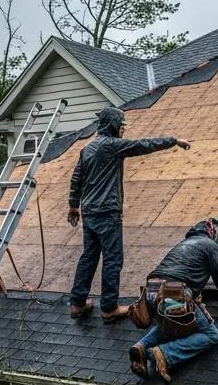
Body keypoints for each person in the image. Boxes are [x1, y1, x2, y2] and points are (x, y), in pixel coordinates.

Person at [68, 107, 190, 322]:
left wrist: (73, 205)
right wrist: (174, 141)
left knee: (89, 256)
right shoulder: (111, 146)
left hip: (89, 213)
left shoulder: (87, 149)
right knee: (113, 259)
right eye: (122, 125)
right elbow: (143, 145)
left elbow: (76, 177)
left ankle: (77, 303)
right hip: (107, 212)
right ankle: (109, 308)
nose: (123, 129)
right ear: (114, 125)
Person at [129, 218, 218, 382]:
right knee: (211, 335)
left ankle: (141, 346)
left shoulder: (184, 244)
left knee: (170, 322)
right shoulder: (210, 246)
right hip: (170, 294)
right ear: (212, 232)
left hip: (150, 293)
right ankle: (165, 353)